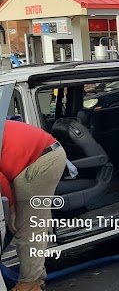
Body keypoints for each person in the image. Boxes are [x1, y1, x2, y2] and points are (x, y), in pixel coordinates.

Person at [1, 120, 67, 291]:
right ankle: (36, 276)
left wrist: (12, 210)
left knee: (28, 227)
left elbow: (0, 181)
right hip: (40, 155)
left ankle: (30, 284)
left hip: (41, 160)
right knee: (33, 222)